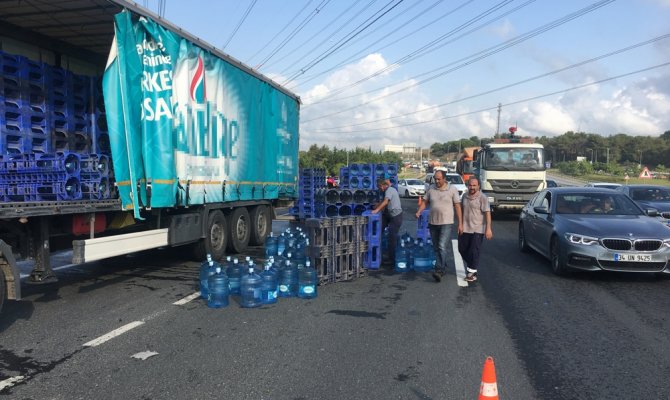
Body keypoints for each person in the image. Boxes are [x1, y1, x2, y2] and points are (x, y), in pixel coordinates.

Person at [415, 169, 462, 282]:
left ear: (444, 179)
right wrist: (419, 211)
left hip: (446, 222)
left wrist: (460, 223)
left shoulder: (452, 189)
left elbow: (457, 206)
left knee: (441, 246)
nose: (437, 181)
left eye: (439, 179)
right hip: (433, 222)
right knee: (436, 247)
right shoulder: (431, 188)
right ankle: (443, 263)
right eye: (435, 179)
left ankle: (439, 270)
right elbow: (425, 202)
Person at [457, 177, 492, 282]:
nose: (472, 187)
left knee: (474, 251)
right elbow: (461, 211)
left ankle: (472, 273)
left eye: (474, 185)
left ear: (478, 186)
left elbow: (487, 213)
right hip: (465, 228)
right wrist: (460, 224)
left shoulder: (483, 198)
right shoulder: (464, 196)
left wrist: (488, 229)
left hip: (478, 229)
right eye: (470, 185)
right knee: (462, 249)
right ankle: (472, 265)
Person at [371, 178, 403, 268]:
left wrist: (376, 210)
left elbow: (386, 201)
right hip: (388, 214)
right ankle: (377, 253)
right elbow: (383, 201)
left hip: (396, 216)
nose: (379, 189)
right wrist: (376, 205)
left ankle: (392, 259)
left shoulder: (389, 190)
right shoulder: (386, 191)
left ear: (383, 185)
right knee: (378, 230)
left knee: (391, 236)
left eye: (380, 187)